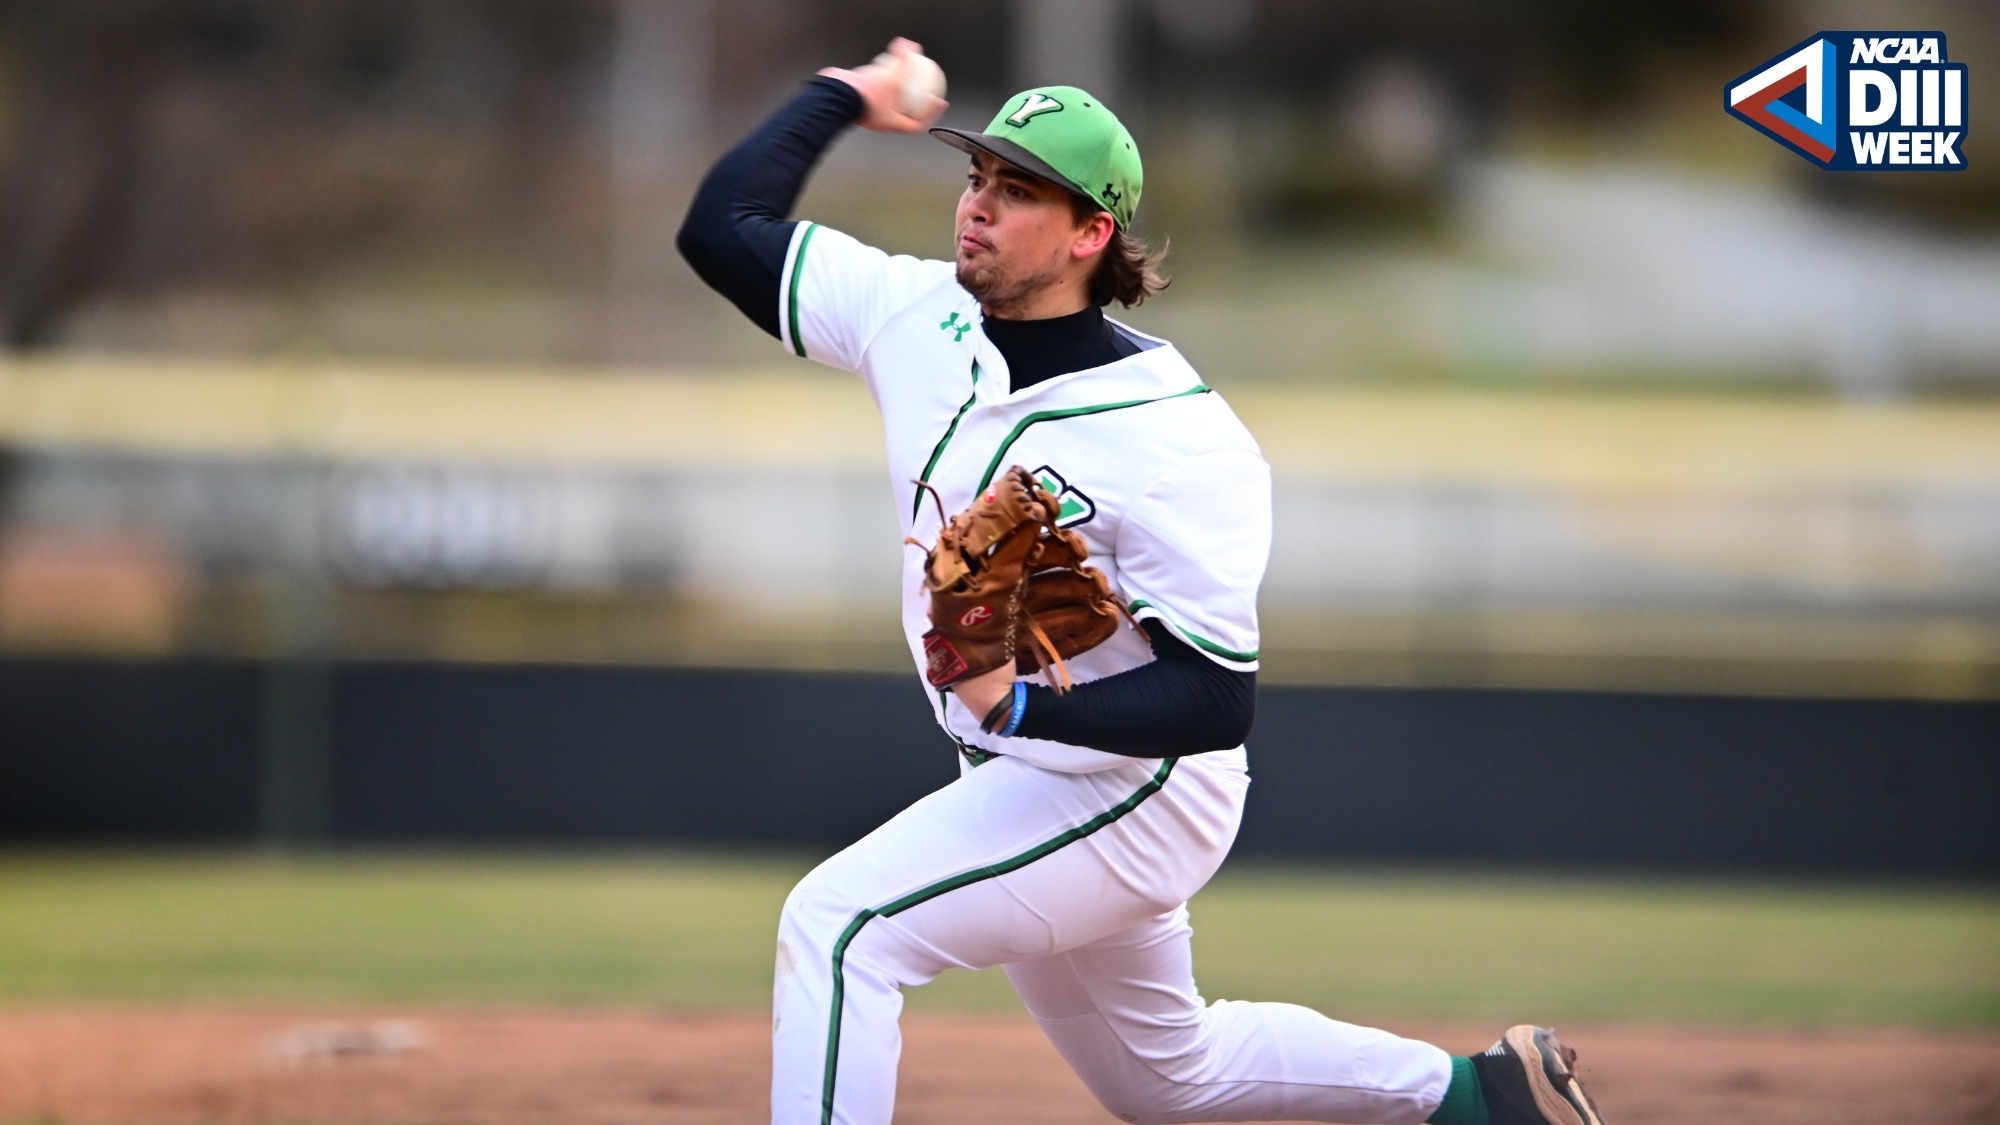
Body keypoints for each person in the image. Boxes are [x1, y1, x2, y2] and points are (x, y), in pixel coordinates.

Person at [677, 37, 1608, 1125]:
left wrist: (1018, 702)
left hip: (1140, 788)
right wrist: (841, 97)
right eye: (977, 177)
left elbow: (1215, 699)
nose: (976, 204)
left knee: (838, 928)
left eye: (1018, 190)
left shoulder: (1178, 439)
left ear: (1089, 233)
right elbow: (720, 234)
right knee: (1168, 1082)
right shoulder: (912, 315)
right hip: (1018, 766)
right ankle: (1478, 1100)